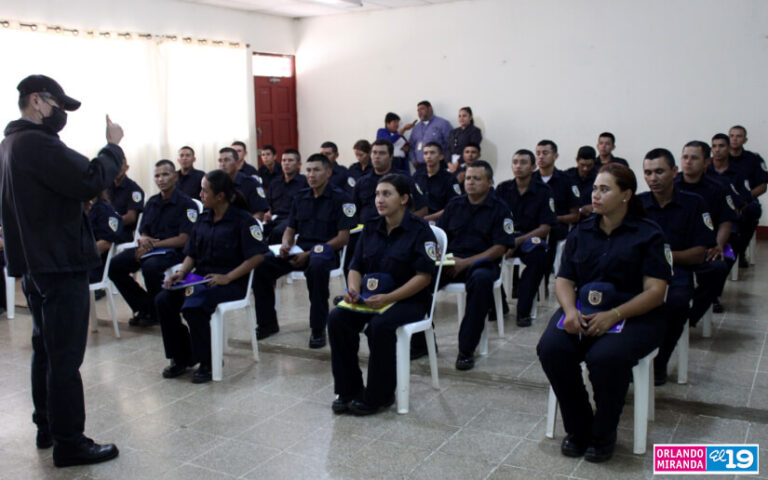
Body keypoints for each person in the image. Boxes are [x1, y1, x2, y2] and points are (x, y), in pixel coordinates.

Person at [0, 74, 124, 466]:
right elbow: (90, 178)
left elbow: (43, 197)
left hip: (36, 265)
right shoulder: (36, 142)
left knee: (46, 350)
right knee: (66, 358)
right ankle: (70, 442)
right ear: (37, 101)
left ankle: (47, 426)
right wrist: (112, 146)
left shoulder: (9, 144)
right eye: (57, 107)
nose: (60, 116)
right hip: (59, 264)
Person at [537, 163, 670, 463]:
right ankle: (579, 427)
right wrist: (569, 311)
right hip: (583, 310)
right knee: (552, 348)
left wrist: (615, 314)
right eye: (595, 188)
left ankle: (603, 433)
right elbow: (564, 280)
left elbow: (655, 292)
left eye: (605, 189)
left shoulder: (648, 234)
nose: (595, 195)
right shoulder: (581, 232)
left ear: (626, 195)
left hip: (634, 315)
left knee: (605, 358)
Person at [328, 173, 437, 415]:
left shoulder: (420, 231)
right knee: (337, 319)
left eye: (387, 194)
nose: (379, 199)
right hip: (371, 298)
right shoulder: (370, 228)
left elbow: (424, 277)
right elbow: (355, 266)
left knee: (380, 327)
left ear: (404, 199)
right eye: (377, 194)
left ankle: (380, 396)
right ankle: (349, 390)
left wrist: (389, 298)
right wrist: (353, 290)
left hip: (408, 300)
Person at [156, 170, 267, 383]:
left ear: (220, 196)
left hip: (232, 282)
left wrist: (228, 277)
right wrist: (180, 273)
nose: (200, 195)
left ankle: (208, 361)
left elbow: (257, 256)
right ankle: (183, 357)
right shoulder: (203, 218)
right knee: (164, 300)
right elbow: (192, 253)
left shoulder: (243, 220)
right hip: (202, 279)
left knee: (193, 305)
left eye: (205, 191)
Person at [252, 154, 356, 347]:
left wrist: (308, 255)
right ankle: (267, 323)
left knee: (317, 266)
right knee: (262, 264)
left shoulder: (341, 198)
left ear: (328, 172)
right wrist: (285, 245)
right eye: (308, 170)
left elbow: (343, 238)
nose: (311, 174)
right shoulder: (300, 197)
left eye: (316, 170)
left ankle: (318, 328)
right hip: (300, 249)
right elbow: (290, 228)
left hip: (326, 251)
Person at [638, 148, 716, 385]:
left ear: (674, 171)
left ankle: (660, 362)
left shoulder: (693, 203)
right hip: (643, 272)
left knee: (677, 304)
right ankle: (631, 359)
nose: (653, 178)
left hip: (677, 271)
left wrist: (665, 257)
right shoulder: (637, 204)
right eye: (648, 172)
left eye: (660, 171)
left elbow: (699, 253)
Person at [437, 161, 515, 370]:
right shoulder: (455, 205)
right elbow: (439, 237)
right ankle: (420, 342)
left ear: (489, 182)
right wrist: (443, 259)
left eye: (477, 178)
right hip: (453, 261)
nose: (470, 182)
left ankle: (466, 350)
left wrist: (466, 263)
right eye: (468, 178)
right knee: (422, 277)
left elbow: (500, 247)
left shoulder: (500, 209)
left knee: (481, 282)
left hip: (482, 263)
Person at [109, 159, 198, 327]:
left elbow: (184, 239)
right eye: (157, 176)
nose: (161, 179)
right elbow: (144, 231)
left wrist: (153, 245)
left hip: (174, 251)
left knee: (150, 266)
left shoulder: (187, 204)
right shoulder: (152, 202)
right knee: (115, 265)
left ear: (175, 176)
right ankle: (147, 307)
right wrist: (144, 240)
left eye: (165, 174)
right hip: (150, 249)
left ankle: (159, 309)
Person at [496, 149, 557, 327]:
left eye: (523, 162)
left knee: (538, 257)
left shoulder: (544, 191)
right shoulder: (503, 189)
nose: (518, 166)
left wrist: (518, 241)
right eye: (515, 162)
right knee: (485, 260)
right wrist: (508, 240)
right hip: (506, 237)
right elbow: (495, 220)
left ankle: (523, 310)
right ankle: (498, 305)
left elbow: (545, 227)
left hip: (530, 238)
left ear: (533, 166)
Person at [676, 140, 736, 317]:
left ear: (706, 162)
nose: (688, 161)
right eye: (685, 157)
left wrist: (718, 245)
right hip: (678, 245)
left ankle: (695, 312)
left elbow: (726, 222)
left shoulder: (718, 188)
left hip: (709, 244)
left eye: (694, 158)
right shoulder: (672, 184)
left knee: (725, 261)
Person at [533, 140, 580, 280]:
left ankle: (544, 277)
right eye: (538, 153)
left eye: (545, 153)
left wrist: (551, 219)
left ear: (555, 156)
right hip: (532, 225)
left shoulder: (566, 180)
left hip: (557, 225)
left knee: (550, 231)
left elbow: (575, 215)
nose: (541, 157)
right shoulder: (530, 179)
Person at [728, 125, 767, 266]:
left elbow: (763, 186)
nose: (734, 139)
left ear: (745, 140)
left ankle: (739, 252)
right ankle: (728, 254)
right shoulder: (720, 159)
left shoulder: (754, 159)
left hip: (746, 200)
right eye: (731, 136)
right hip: (724, 201)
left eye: (738, 136)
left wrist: (744, 199)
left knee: (751, 212)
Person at [265, 149, 307, 244]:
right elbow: (267, 202)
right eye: (284, 160)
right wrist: (267, 212)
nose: (286, 163)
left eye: (290, 160)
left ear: (298, 164)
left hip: (293, 220)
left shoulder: (305, 182)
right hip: (274, 219)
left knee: (277, 232)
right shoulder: (275, 182)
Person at [413, 142, 461, 221]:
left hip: (440, 219)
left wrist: (429, 218)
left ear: (441, 156)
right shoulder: (417, 176)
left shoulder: (449, 178)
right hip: (418, 218)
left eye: (432, 153)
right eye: (425, 153)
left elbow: (453, 205)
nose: (428, 156)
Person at [218, 147, 269, 221]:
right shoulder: (216, 183)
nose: (222, 164)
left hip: (243, 226)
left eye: (226, 160)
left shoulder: (251, 183)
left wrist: (246, 225)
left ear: (236, 162)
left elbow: (259, 213)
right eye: (220, 161)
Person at [86, 191, 124, 284]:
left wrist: (77, 259)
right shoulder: (81, 209)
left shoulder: (103, 210)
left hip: (92, 267)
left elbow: (105, 243)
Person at [407, 100, 452, 173]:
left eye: (422, 109)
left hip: (439, 165)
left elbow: (450, 144)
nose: (419, 112)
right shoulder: (416, 128)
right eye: (418, 110)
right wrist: (414, 160)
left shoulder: (443, 124)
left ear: (430, 109)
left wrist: (445, 158)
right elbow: (411, 146)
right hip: (420, 166)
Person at [107, 160, 144, 243]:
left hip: (124, 231)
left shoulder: (134, 189)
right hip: (106, 229)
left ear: (126, 168)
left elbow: (131, 218)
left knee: (102, 241)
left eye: (119, 165)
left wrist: (107, 224)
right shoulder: (106, 187)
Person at [566, 146, 598, 218]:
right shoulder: (567, 176)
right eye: (582, 165)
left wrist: (593, 207)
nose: (585, 169)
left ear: (595, 161)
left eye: (589, 165)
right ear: (577, 160)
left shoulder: (600, 177)